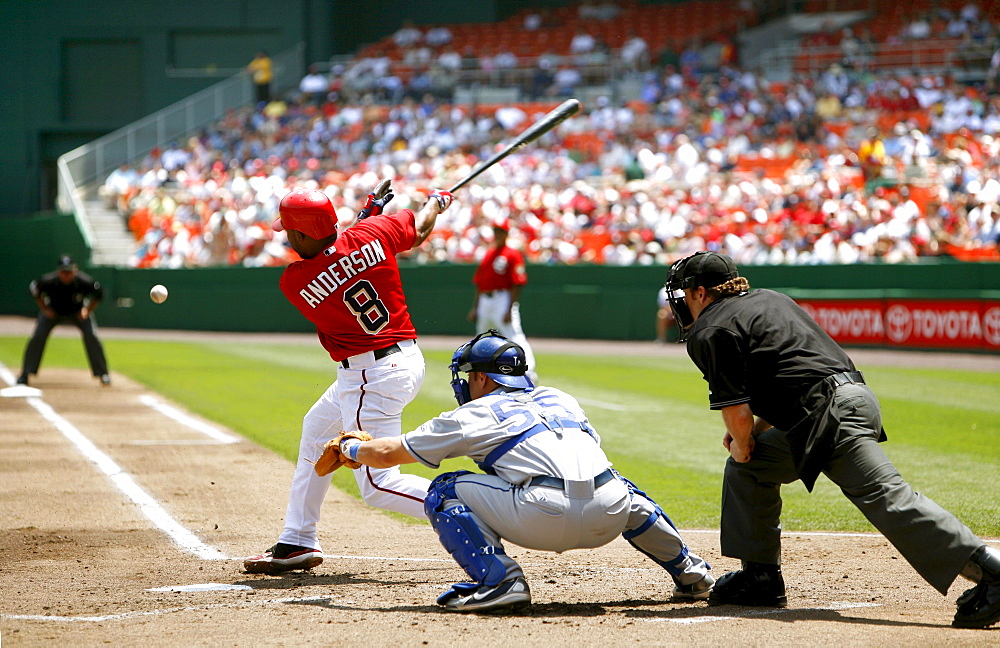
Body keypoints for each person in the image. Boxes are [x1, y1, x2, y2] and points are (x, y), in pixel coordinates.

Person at [662, 251, 1000, 629]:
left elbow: (738, 413)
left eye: (683, 292)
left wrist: (742, 439)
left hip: (830, 418)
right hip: (852, 401)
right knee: (754, 467)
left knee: (888, 498)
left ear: (701, 292)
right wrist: (753, 436)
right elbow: (792, 373)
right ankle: (760, 578)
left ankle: (992, 574)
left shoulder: (710, 328)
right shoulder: (771, 299)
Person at [323, 331, 715, 612]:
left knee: (445, 489)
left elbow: (390, 452)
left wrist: (350, 447)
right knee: (618, 487)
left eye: (468, 375)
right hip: (609, 515)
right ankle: (692, 574)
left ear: (482, 377)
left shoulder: (473, 412)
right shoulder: (560, 397)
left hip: (542, 515)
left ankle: (500, 580)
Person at [243, 182, 455, 575]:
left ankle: (472, 509)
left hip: (369, 376)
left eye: (290, 232)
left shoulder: (296, 281)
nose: (287, 238)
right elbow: (415, 231)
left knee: (377, 485)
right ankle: (297, 540)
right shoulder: (372, 234)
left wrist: (367, 216)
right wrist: (435, 202)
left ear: (303, 233)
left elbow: (334, 259)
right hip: (401, 360)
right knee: (317, 428)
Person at [18, 255, 110, 387]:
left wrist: (87, 311)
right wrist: (44, 308)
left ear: (75, 270)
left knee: (92, 336)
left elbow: (99, 294)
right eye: (63, 271)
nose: (66, 275)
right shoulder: (49, 281)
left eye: (69, 271)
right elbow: (34, 289)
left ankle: (103, 373)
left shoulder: (83, 281)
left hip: (77, 313)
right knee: (38, 336)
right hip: (53, 313)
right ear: (58, 271)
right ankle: (25, 373)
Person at [467, 219, 536, 380]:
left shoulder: (512, 253)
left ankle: (528, 372)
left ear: (506, 233)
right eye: (495, 231)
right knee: (481, 337)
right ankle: (481, 373)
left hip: (502, 298)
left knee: (514, 336)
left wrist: (510, 307)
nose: (497, 234)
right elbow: (479, 282)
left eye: (500, 231)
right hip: (485, 298)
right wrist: (475, 307)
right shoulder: (489, 253)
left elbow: (517, 283)